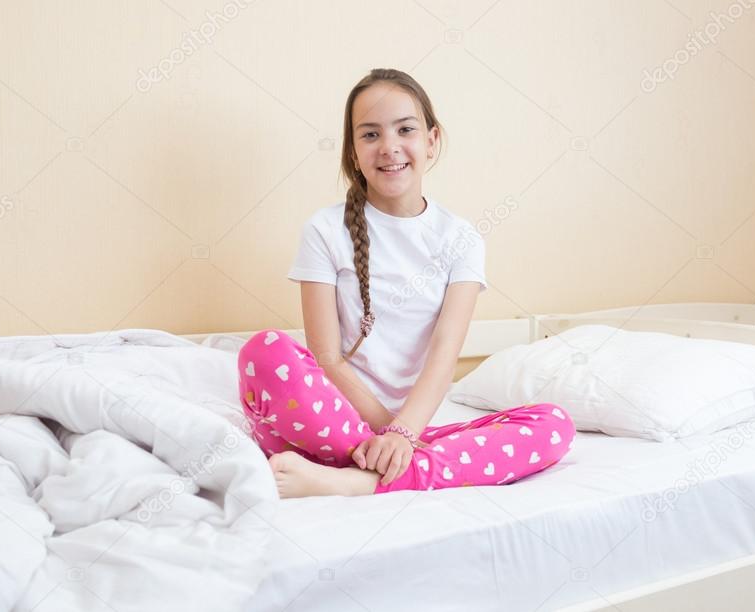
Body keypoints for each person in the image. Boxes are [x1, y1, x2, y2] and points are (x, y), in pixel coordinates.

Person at [237, 68, 575, 498]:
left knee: (554, 425)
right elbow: (327, 357)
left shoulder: (461, 238)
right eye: (370, 134)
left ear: (432, 140)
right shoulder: (324, 230)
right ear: (353, 151)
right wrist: (387, 435)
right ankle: (394, 469)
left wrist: (402, 434)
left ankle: (356, 481)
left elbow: (442, 356)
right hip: (334, 422)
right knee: (265, 351)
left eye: (405, 129)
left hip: (413, 430)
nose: (390, 147)